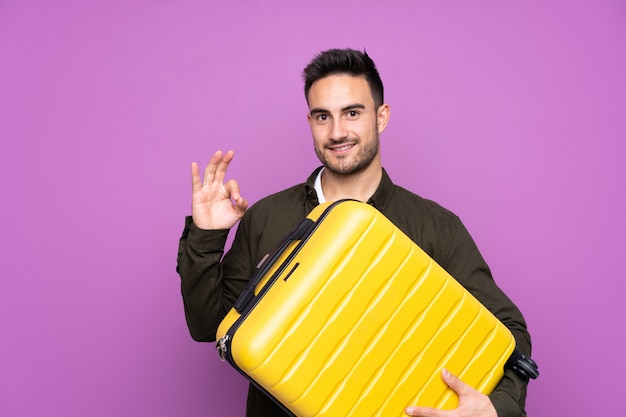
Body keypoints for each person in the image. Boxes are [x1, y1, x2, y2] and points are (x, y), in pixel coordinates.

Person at [177, 48, 532, 417]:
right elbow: (210, 327)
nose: (336, 132)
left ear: (381, 117)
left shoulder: (435, 226)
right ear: (310, 121)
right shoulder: (267, 216)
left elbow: (510, 332)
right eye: (322, 116)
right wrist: (207, 234)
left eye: (352, 112)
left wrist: (495, 410)